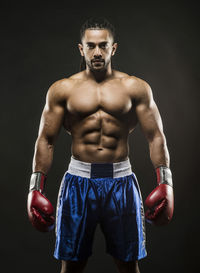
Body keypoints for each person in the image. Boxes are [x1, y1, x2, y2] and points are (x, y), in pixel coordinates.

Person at [27, 17, 174, 273]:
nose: (97, 52)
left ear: (113, 48)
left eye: (103, 46)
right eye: (91, 46)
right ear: (81, 48)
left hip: (122, 183)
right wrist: (35, 187)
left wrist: (165, 182)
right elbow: (46, 140)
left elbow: (156, 136)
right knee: (71, 265)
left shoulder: (135, 88)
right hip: (78, 183)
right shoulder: (62, 90)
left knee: (129, 265)